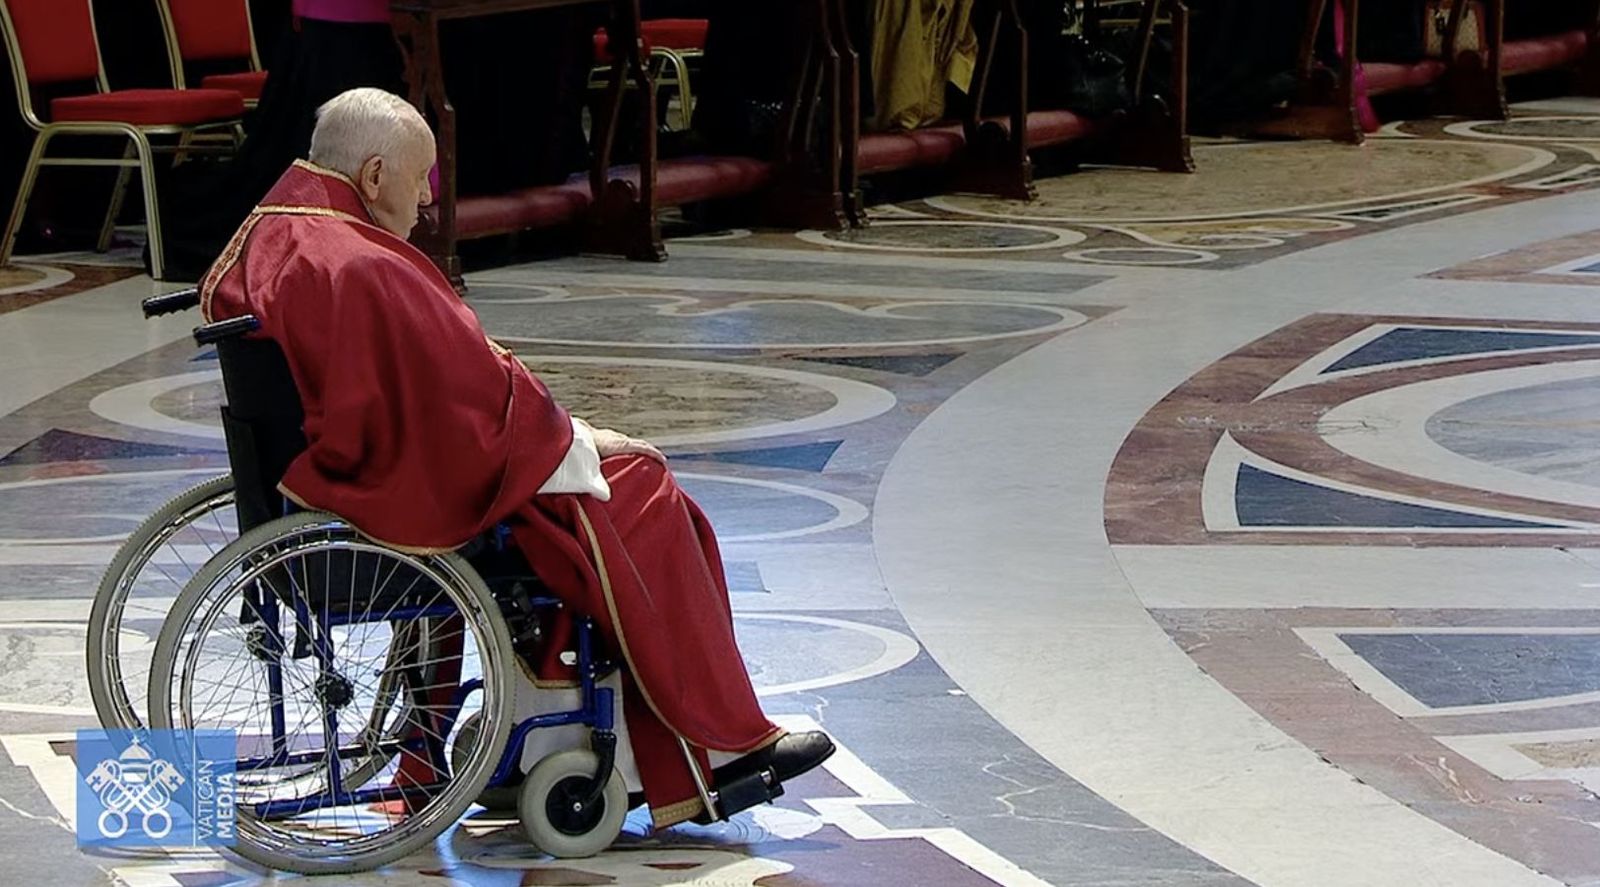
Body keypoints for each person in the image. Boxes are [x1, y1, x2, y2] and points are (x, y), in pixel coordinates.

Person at [200, 88, 834, 826]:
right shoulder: (360, 263)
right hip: (395, 489)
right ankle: (714, 745)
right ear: (374, 175)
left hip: (334, 477)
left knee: (609, 476)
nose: (429, 199)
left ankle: (587, 732)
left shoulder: (287, 226)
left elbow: (447, 383)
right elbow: (459, 402)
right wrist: (571, 441)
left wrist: (550, 427)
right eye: (421, 177)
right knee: (641, 487)